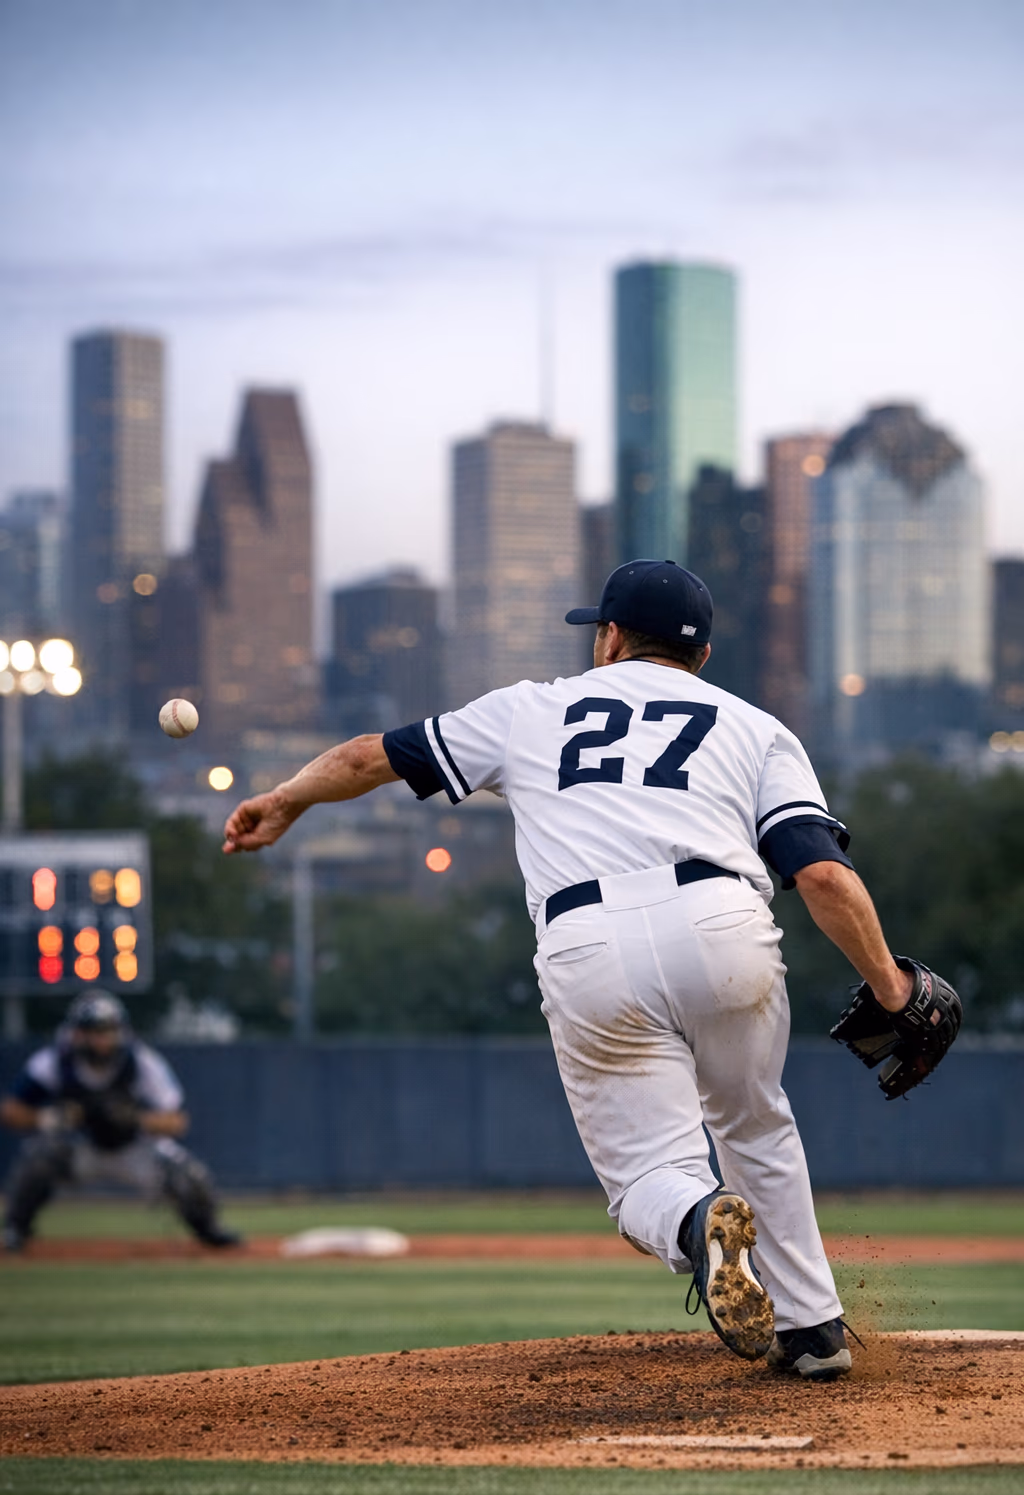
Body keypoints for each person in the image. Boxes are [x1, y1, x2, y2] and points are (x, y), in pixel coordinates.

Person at [222, 559, 914, 1381]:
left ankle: (700, 1224)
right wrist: (891, 989)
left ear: (610, 637)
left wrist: (289, 799)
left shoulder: (533, 708)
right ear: (701, 655)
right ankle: (814, 1331)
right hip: (725, 925)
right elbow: (824, 877)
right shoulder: (756, 728)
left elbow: (372, 755)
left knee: (648, 1174)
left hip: (589, 940)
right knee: (756, 1121)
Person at [1, 988, 240, 1252]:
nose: (101, 1039)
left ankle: (208, 1229)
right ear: (77, 1033)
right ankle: (16, 1229)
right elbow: (11, 1111)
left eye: (108, 1031)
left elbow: (176, 1120)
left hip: (133, 1149)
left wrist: (135, 1119)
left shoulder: (140, 1062)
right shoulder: (55, 1062)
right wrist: (53, 1118)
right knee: (38, 1158)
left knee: (187, 1175)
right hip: (83, 1147)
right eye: (94, 1031)